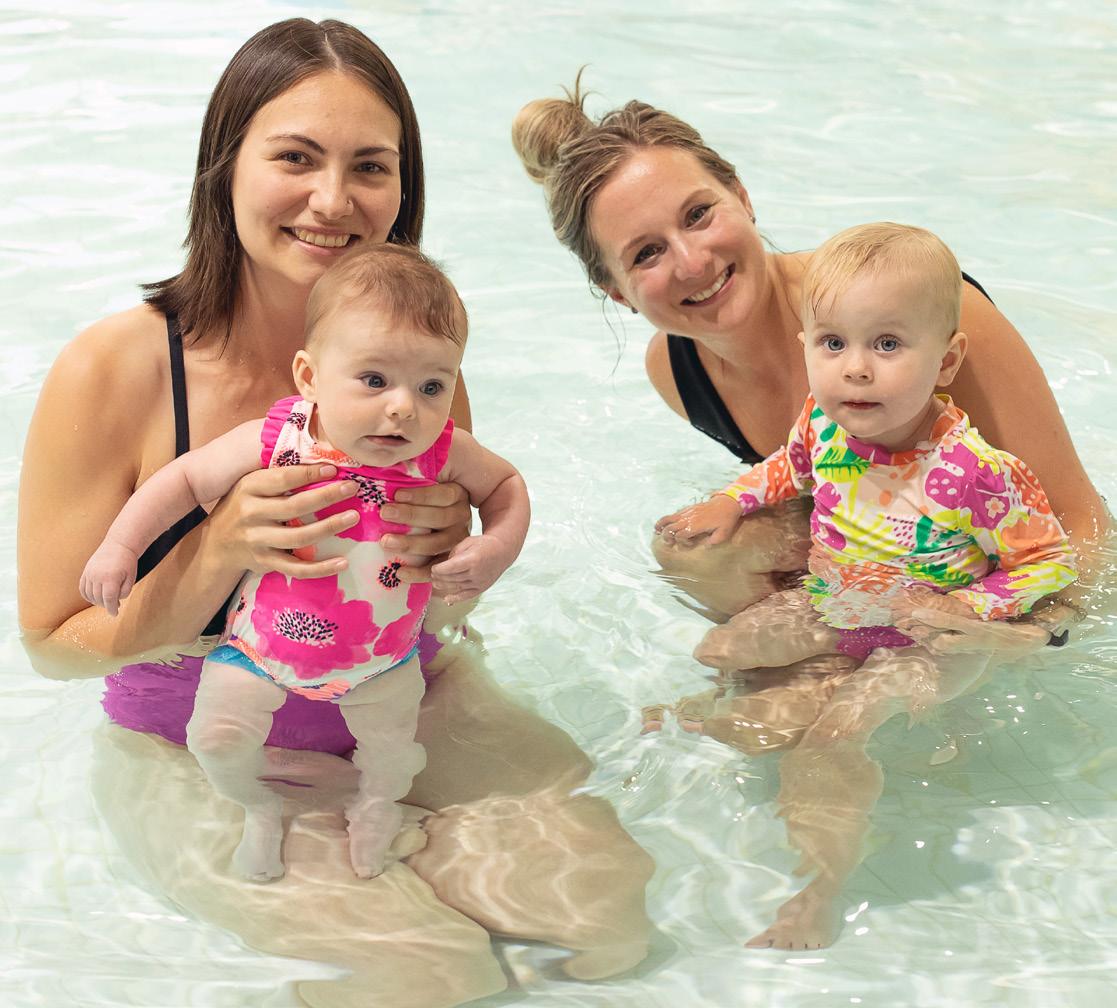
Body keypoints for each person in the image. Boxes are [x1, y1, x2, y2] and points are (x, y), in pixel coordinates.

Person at [19, 23, 652, 1005]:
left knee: (605, 920)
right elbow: (52, 647)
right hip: (200, 734)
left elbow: (436, 591)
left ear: (403, 188)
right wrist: (218, 551)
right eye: (295, 158)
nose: (332, 199)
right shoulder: (117, 369)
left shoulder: (413, 367)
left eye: (369, 167)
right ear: (224, 167)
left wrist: (458, 561)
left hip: (400, 694)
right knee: (425, 974)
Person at [512, 80, 1108, 950]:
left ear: (742, 195)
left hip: (965, 585)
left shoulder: (912, 309)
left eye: (698, 214)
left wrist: (1032, 631)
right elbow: (815, 485)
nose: (690, 261)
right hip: (868, 571)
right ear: (615, 291)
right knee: (690, 552)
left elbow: (1082, 523)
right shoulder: (677, 370)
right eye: (645, 253)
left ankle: (847, 743)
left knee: (831, 731)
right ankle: (801, 694)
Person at [80, 244, 531, 884]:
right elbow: (184, 480)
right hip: (257, 650)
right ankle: (256, 807)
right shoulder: (280, 438)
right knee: (216, 740)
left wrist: (496, 548)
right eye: (374, 380)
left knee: (392, 756)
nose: (404, 407)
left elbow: (506, 486)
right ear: (310, 376)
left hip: (383, 659)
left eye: (432, 386)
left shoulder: (440, 452)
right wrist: (119, 548)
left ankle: (376, 807)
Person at [653, 221, 1077, 740]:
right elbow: (791, 465)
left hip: (923, 641)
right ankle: (773, 691)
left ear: (946, 361)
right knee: (717, 651)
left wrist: (968, 606)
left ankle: (835, 720)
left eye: (887, 344)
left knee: (834, 738)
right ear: (806, 347)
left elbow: (1050, 562)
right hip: (833, 604)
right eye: (833, 343)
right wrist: (731, 501)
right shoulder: (823, 423)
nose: (855, 368)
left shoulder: (975, 472)